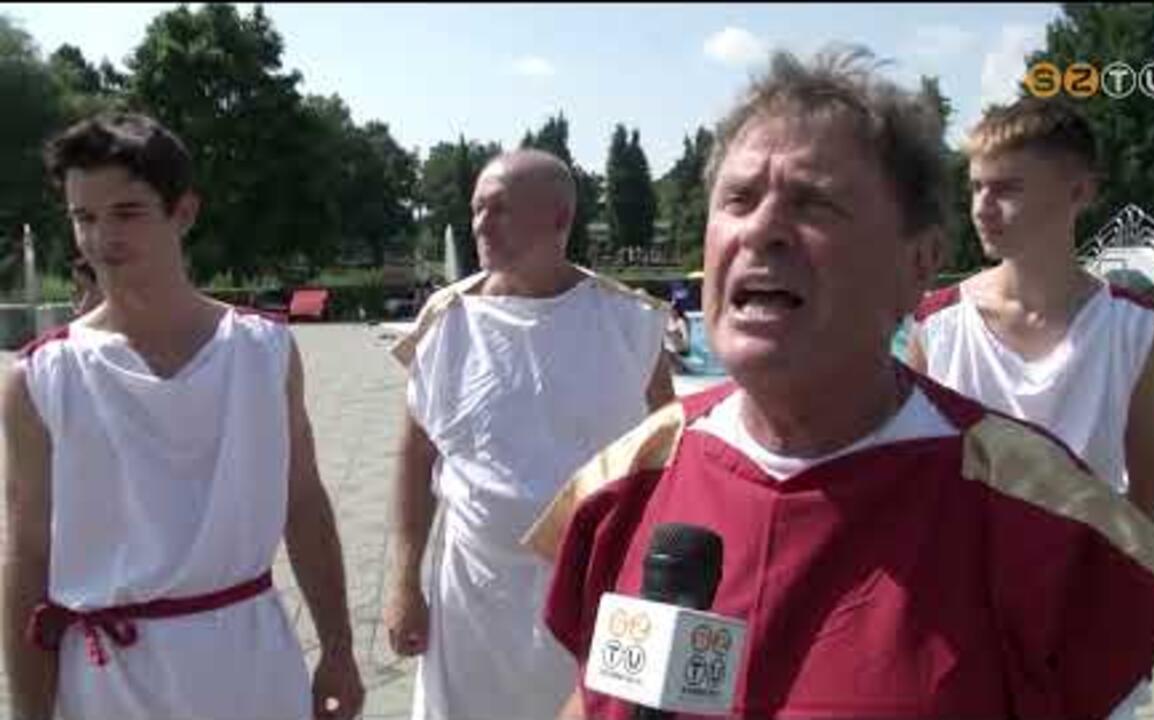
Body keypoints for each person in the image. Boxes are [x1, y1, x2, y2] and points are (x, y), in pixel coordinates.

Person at [525, 46, 1154, 719]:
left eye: (814, 203)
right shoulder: (629, 482)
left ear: (919, 263)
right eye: (738, 198)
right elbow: (591, 698)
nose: (761, 230)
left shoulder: (1041, 522)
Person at [2, 112, 364, 720]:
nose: (102, 238)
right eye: (84, 217)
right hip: (109, 685)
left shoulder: (263, 351)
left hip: (251, 664)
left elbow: (303, 504)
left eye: (127, 212)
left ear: (184, 212)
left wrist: (339, 649)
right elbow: (26, 554)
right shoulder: (40, 376)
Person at [905, 97, 1154, 720]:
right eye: (976, 187)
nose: (982, 207)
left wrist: (1078, 579)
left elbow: (1153, 490)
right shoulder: (939, 324)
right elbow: (913, 479)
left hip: (1079, 610)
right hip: (962, 613)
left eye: (1007, 189)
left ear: (1079, 192)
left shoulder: (1134, 330)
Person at [382, 148, 675, 720]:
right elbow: (415, 457)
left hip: (594, 594)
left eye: (500, 209)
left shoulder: (629, 323)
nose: (480, 224)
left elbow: (672, 456)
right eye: (476, 209)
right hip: (473, 600)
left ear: (559, 218)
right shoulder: (446, 322)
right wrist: (403, 584)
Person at [664, 303, 692, 373]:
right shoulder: (667, 321)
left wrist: (686, 348)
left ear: (676, 311)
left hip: (679, 346)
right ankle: (679, 368)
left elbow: (686, 337)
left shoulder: (681, 322)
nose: (670, 312)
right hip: (670, 347)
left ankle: (680, 368)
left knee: (669, 351)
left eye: (671, 310)